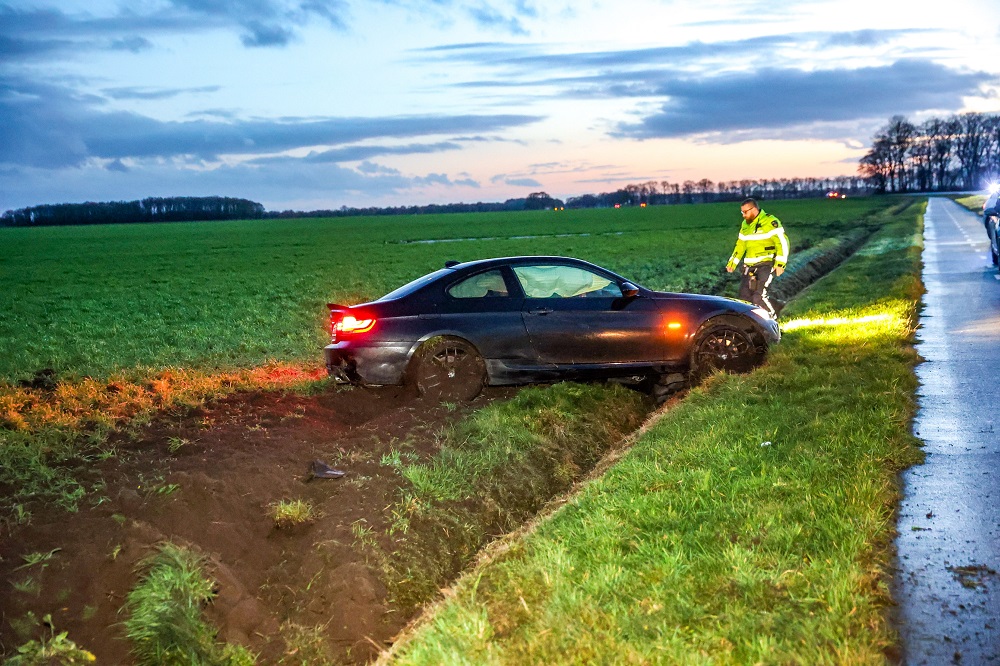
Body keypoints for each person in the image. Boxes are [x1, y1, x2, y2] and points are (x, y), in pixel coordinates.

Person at [725, 197, 789, 317]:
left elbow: (782, 243)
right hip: (749, 268)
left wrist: (780, 264)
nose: (743, 215)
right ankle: (752, 324)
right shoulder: (745, 225)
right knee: (744, 298)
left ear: (754, 209)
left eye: (745, 212)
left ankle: (772, 323)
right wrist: (732, 263)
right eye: (742, 212)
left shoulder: (770, 222)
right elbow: (740, 245)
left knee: (758, 297)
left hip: (766, 265)